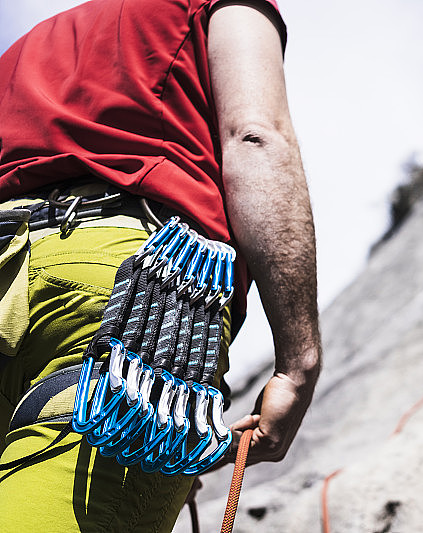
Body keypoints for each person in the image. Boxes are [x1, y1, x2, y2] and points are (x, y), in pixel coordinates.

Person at [0, 0, 321, 531]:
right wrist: (298, 361)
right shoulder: (211, 7)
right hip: (134, 288)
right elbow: (255, 135)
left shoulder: (25, 49)